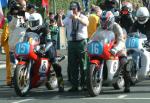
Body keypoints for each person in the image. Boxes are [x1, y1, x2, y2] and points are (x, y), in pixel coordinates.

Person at [26, 12, 64, 92]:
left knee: (55, 63)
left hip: (47, 47)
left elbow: (50, 40)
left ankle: (61, 84)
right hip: (34, 48)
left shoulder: (45, 27)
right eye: (31, 23)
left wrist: (44, 48)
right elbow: (26, 39)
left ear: (39, 21)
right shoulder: (28, 30)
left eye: (34, 22)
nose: (32, 24)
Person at [58, 1, 89, 91]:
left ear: (78, 9)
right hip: (71, 43)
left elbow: (86, 23)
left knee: (83, 64)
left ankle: (84, 84)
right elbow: (61, 25)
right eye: (71, 9)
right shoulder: (68, 18)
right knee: (72, 65)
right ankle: (75, 85)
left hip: (81, 42)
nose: (72, 10)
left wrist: (77, 18)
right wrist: (60, 17)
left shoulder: (83, 16)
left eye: (74, 9)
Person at [100, 11, 131, 92]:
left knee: (124, 62)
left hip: (118, 48)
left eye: (105, 20)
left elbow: (121, 41)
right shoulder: (100, 27)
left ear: (110, 20)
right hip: (106, 48)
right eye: (102, 20)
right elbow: (95, 37)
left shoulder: (117, 27)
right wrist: (89, 44)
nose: (103, 22)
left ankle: (127, 85)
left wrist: (116, 49)